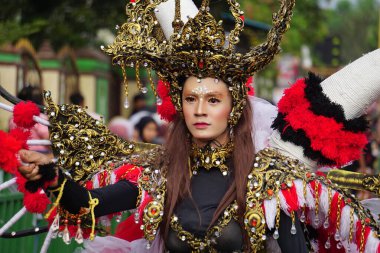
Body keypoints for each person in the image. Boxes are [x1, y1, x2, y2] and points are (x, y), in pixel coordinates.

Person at [16, 0, 380, 252]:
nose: (200, 110)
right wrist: (49, 177)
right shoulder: (159, 174)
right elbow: (88, 206)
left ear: (234, 107)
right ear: (180, 105)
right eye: (191, 99)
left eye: (213, 100)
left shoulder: (273, 181)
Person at [9, 85, 51, 153]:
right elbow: (45, 134)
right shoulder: (39, 117)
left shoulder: (13, 118)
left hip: (20, 151)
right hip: (39, 152)